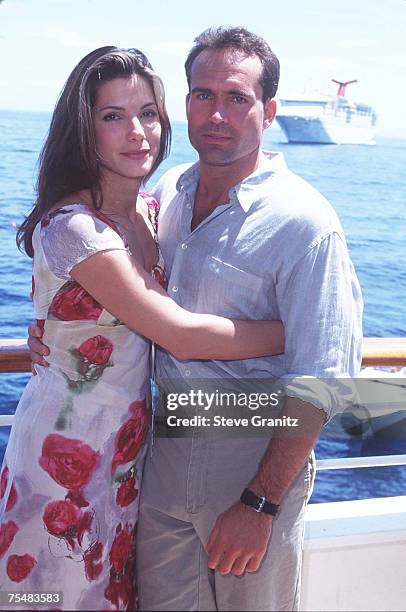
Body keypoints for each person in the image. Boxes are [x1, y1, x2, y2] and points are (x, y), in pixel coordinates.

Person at [1, 45, 285, 611]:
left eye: (148, 113)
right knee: (53, 599)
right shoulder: (76, 228)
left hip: (128, 456)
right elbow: (179, 334)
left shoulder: (154, 213)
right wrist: (297, 330)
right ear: (84, 128)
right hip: (66, 455)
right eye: (113, 116)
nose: (137, 132)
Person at [133, 27, 363, 612]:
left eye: (237, 97)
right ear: (183, 103)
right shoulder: (172, 192)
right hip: (163, 456)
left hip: (250, 461)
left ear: (269, 110)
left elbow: (324, 379)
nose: (216, 114)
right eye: (202, 95)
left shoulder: (304, 224)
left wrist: (262, 502)